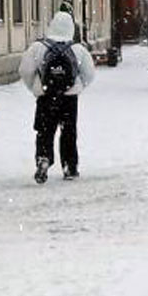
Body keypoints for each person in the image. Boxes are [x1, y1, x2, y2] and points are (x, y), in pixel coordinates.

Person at [19, 12, 95, 184]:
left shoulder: (38, 47)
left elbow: (24, 70)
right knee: (68, 132)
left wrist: (35, 87)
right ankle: (70, 166)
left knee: (44, 131)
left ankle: (43, 158)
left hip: (46, 96)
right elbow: (89, 74)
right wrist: (78, 86)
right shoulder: (78, 49)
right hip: (69, 98)